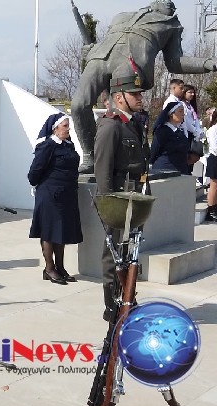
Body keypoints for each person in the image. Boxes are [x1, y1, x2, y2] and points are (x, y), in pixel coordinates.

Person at [71, 1, 217, 174]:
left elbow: (175, 62)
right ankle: (90, 154)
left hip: (130, 64)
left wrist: (207, 63)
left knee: (118, 115)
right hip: (99, 59)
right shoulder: (122, 16)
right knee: (78, 105)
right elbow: (108, 40)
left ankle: (120, 161)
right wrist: (91, 49)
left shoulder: (172, 24)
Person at [94, 74, 149, 321]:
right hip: (118, 199)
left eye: (139, 93)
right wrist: (108, 205)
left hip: (134, 197)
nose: (139, 98)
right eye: (134, 94)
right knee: (114, 253)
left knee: (130, 252)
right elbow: (103, 169)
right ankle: (113, 305)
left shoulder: (132, 123)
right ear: (119, 98)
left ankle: (127, 298)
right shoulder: (111, 126)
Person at [28, 113, 82, 285]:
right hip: (50, 195)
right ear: (55, 129)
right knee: (49, 232)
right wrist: (41, 185)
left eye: (68, 126)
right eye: (65, 126)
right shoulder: (47, 146)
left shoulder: (68, 145)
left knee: (61, 232)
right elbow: (34, 173)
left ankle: (60, 268)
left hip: (67, 194)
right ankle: (49, 268)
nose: (68, 129)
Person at [150, 101, 190, 174]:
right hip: (165, 170)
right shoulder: (162, 131)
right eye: (180, 111)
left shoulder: (180, 131)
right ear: (171, 114)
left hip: (180, 170)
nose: (183, 114)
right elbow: (154, 150)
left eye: (183, 111)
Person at [181, 84, 205, 173]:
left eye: (193, 93)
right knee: (187, 158)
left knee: (193, 158)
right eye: (189, 92)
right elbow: (186, 121)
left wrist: (199, 131)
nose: (192, 94)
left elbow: (195, 120)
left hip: (193, 134)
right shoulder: (182, 104)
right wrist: (195, 131)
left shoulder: (190, 106)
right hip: (187, 133)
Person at [205, 110, 217, 221]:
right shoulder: (213, 130)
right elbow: (214, 147)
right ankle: (211, 209)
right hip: (215, 158)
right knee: (214, 185)